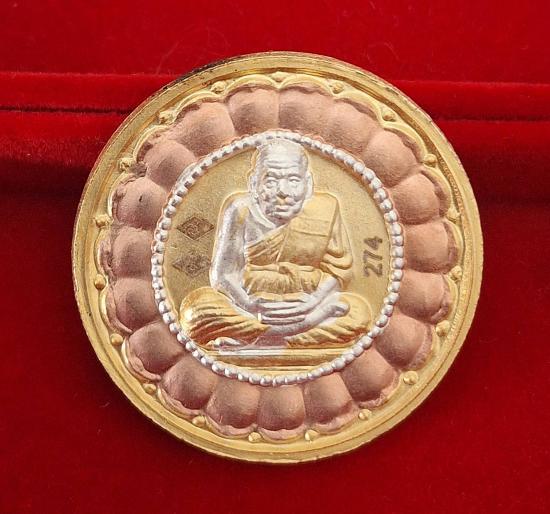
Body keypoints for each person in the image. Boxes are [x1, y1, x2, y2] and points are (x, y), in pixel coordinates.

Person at [179, 138, 370, 349]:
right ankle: (292, 334)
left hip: (307, 303)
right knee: (195, 311)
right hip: (252, 305)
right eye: (270, 182)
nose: (283, 191)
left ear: (308, 184)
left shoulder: (326, 209)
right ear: (254, 184)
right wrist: (249, 304)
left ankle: (258, 336)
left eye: (293, 180)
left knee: (358, 312)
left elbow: (338, 270)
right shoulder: (241, 210)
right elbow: (223, 274)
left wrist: (314, 302)